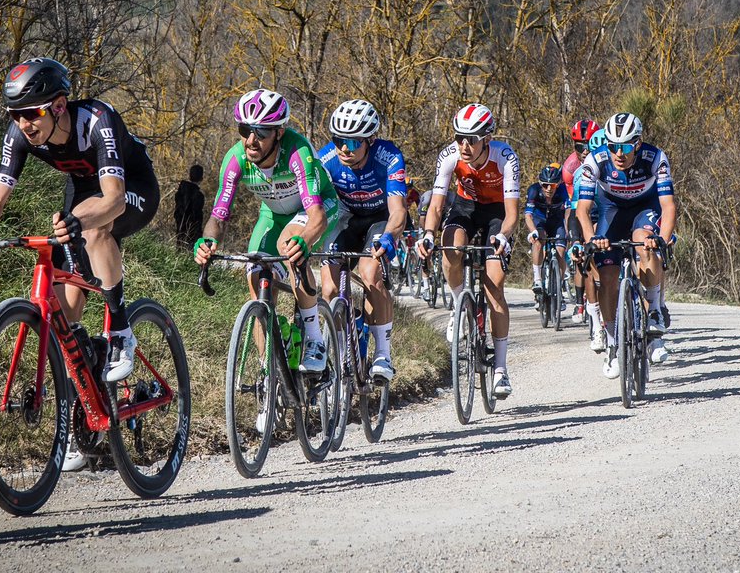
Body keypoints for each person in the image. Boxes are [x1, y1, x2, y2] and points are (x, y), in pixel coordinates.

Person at [0, 57, 160, 471]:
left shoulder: (96, 120)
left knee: (97, 230)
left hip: (131, 187)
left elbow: (112, 200)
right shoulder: (20, 134)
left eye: (31, 113)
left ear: (59, 105)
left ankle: (120, 329)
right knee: (64, 313)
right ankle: (88, 409)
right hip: (82, 192)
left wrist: (81, 221)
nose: (24, 123)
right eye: (15, 115)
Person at [194, 89, 341, 390]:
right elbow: (219, 216)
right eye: (245, 129)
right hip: (272, 214)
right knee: (255, 272)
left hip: (317, 207)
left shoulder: (298, 152)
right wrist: (207, 242)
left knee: (289, 245)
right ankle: (269, 371)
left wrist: (305, 241)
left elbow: (317, 217)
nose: (251, 140)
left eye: (261, 131)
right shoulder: (235, 159)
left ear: (279, 132)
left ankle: (314, 338)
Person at [416, 103, 521, 398]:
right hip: (465, 208)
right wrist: (427, 234)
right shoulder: (450, 155)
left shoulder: (505, 157)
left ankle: (500, 369)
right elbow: (437, 204)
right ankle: (458, 304)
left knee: (495, 286)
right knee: (449, 245)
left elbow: (513, 213)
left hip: (498, 214)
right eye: (458, 137)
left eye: (471, 139)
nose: (464, 145)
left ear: (486, 138)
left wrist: (502, 236)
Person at [576, 112, 676, 378]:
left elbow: (668, 206)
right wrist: (591, 241)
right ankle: (612, 342)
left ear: (638, 143)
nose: (618, 153)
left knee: (645, 244)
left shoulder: (655, 158)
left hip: (645, 208)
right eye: (612, 146)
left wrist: (662, 241)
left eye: (626, 146)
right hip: (611, 210)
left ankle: (653, 311)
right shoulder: (595, 160)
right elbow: (583, 210)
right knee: (606, 275)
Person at [317, 99, 407, 381]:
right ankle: (343, 346)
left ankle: (383, 353)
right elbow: (313, 206)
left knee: (370, 273)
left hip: (380, 218)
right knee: (330, 289)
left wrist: (390, 237)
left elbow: (398, 211)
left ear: (370, 140)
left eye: (354, 142)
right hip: (345, 217)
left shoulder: (389, 157)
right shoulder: (326, 159)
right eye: (339, 140)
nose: (345, 148)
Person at [562, 120, 599, 323]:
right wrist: (574, 239)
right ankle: (580, 303)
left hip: (604, 209)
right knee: (581, 252)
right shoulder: (570, 169)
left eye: (589, 145)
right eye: (579, 147)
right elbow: (574, 207)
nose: (585, 151)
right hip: (582, 207)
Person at [524, 163, 569, 295]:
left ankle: (559, 287)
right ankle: (537, 278)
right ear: (540, 183)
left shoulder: (562, 190)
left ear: (558, 184)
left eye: (553, 185)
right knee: (538, 241)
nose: (549, 189)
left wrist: (568, 230)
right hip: (540, 220)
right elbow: (528, 215)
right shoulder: (533, 190)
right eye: (545, 185)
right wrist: (532, 231)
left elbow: (568, 212)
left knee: (561, 250)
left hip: (557, 221)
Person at [173, 164, 205, 251]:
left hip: (180, 230)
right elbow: (197, 217)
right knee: (191, 252)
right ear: (202, 178)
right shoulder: (199, 196)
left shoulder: (180, 192)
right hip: (192, 233)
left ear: (189, 176)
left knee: (180, 250)